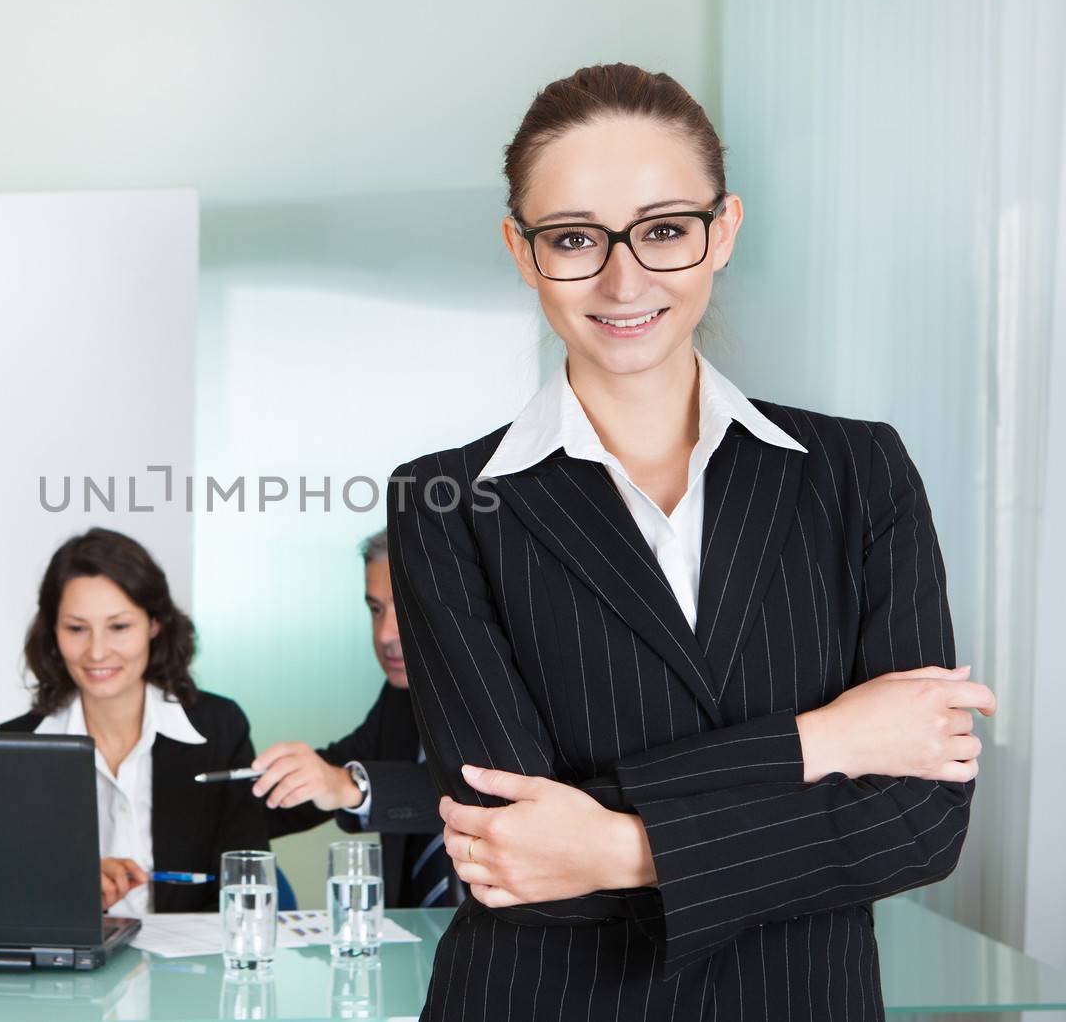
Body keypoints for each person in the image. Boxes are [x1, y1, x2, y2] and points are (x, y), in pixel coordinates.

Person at [386, 63, 997, 1019]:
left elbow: (918, 825)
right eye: (576, 239)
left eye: (666, 230)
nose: (625, 280)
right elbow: (516, 849)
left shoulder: (858, 472)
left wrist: (620, 844)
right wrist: (823, 740)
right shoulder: (449, 502)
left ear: (725, 232)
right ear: (521, 249)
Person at [0, 527, 269, 916]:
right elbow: (4, 901)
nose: (96, 651)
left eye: (119, 627)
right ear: (53, 632)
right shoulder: (17, 745)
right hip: (71, 973)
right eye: (76, 628)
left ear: (154, 624)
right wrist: (69, 889)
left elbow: (246, 886)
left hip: (191, 971)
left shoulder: (218, 729)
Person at [258, 530, 459, 909]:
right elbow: (325, 774)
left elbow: (480, 797)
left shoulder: (519, 692)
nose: (385, 634)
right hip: (414, 953)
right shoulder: (401, 699)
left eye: (408, 607)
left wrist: (354, 787)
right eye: (376, 609)